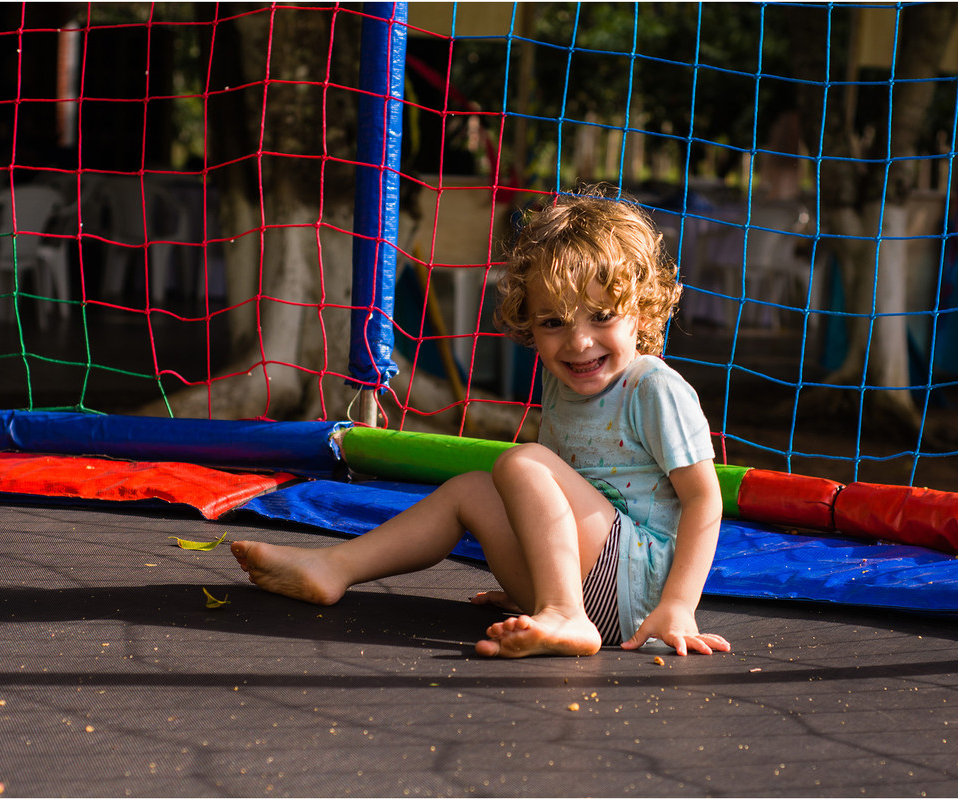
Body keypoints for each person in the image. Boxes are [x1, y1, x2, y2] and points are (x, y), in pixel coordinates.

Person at [231, 187, 729, 659]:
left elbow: (704, 499)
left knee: (522, 463)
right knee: (470, 489)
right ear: (529, 322)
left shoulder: (652, 387)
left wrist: (678, 605)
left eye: (601, 316)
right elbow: (557, 503)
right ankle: (333, 567)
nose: (578, 342)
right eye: (553, 322)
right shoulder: (562, 383)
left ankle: (564, 614)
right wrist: (530, 581)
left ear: (641, 311)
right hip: (585, 585)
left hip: (639, 594)